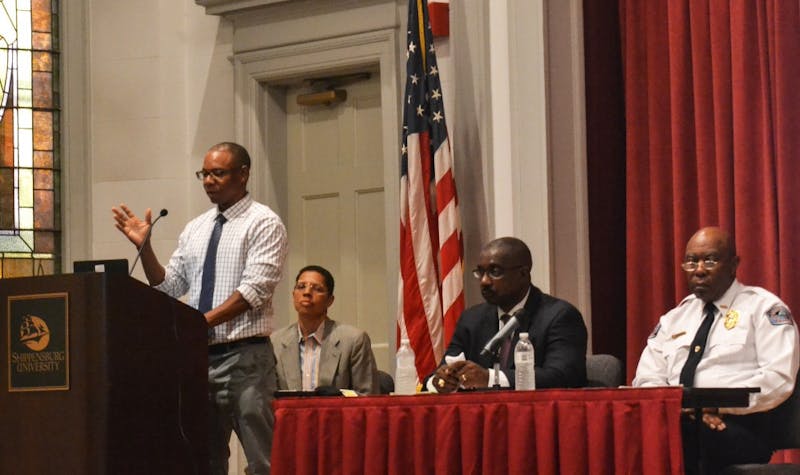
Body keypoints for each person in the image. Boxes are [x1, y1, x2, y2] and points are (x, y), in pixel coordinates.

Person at [112, 142, 288, 475]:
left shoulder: (263, 222)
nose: (208, 181)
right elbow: (170, 286)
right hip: (201, 359)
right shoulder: (196, 227)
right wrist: (145, 248)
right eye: (204, 174)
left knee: (263, 458)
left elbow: (254, 290)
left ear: (244, 174)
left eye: (217, 173)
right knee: (204, 458)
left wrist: (198, 323)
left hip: (247, 358)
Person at [633, 226, 799, 473]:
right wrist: (678, 410)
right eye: (691, 262)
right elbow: (647, 378)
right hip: (679, 421)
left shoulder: (764, 308)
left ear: (734, 264)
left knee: (683, 437)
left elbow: (778, 378)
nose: (699, 270)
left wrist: (714, 406)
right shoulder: (674, 319)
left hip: (743, 428)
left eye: (710, 260)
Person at [425, 237, 587, 392]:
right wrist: (441, 381)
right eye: (480, 273)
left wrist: (490, 378)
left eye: (495, 272)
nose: (484, 281)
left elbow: (562, 377)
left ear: (523, 274)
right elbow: (436, 375)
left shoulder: (559, 316)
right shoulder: (472, 319)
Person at [272, 265, 379, 395]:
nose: (306, 293)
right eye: (301, 287)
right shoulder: (275, 342)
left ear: (330, 300)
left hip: (337, 415)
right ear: (293, 295)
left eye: (317, 289)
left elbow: (368, 398)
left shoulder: (353, 340)